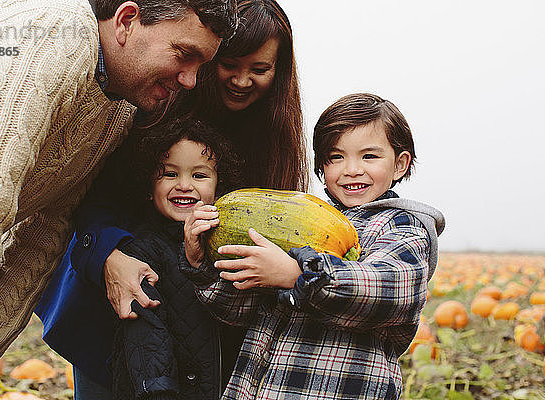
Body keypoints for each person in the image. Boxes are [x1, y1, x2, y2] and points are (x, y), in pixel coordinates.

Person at [0, 0, 237, 398]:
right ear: (126, 21)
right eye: (184, 56)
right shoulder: (50, 35)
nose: (190, 80)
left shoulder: (114, 107)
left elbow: (49, 224)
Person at [35, 0, 306, 396]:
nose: (243, 80)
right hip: (124, 298)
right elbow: (90, 194)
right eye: (231, 63)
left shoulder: (270, 139)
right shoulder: (152, 103)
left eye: (260, 69)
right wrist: (110, 256)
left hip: (211, 325)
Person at [182, 93, 446, 399]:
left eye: (369, 156)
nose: (351, 169)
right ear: (321, 166)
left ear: (400, 164)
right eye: (336, 157)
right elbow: (237, 311)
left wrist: (298, 276)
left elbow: (395, 291)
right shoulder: (301, 223)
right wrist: (200, 261)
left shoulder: (402, 224)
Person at [106, 117, 242, 400]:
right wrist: (158, 391)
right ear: (149, 184)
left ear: (219, 186)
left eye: (199, 176)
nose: (184, 185)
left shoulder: (228, 244)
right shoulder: (141, 249)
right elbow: (144, 330)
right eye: (169, 174)